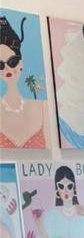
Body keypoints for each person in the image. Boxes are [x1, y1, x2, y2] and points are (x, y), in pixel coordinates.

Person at [0, 15, 48, 148]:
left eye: (12, 62)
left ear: (20, 63)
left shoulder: (43, 106)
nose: (7, 69)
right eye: (0, 65)